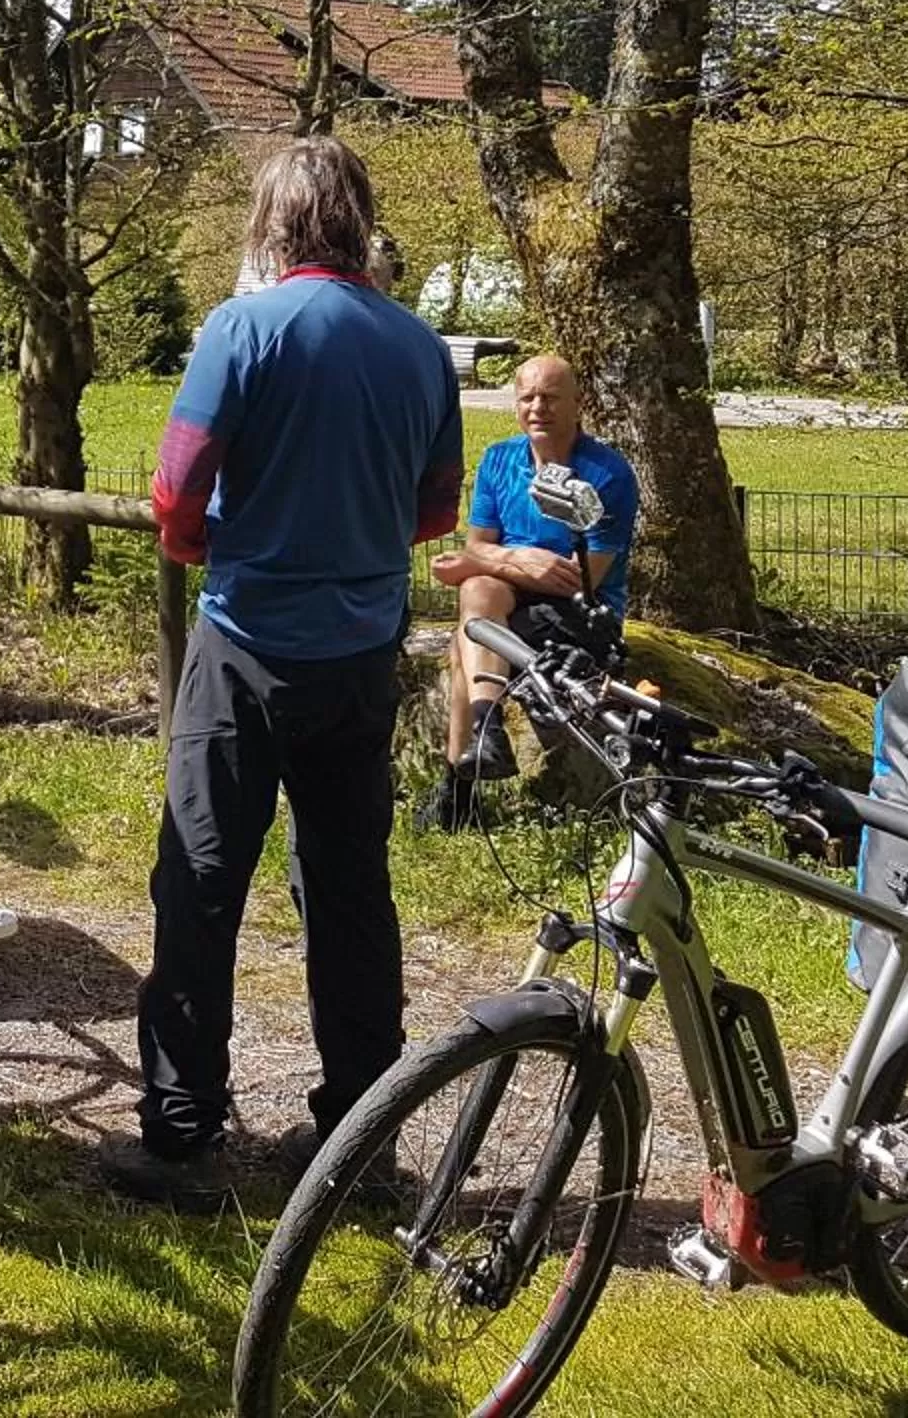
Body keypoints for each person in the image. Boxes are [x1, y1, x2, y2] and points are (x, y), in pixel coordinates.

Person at [106, 136, 465, 1210]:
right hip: (360, 655)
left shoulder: (243, 329)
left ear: (272, 223)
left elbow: (176, 494)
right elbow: (437, 511)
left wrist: (213, 543)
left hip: (246, 646)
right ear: (360, 220)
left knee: (201, 882)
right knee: (351, 894)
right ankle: (361, 1140)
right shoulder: (419, 346)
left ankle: (182, 1134)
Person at [420, 353, 640, 831]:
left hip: (581, 613)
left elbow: (582, 578)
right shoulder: (499, 460)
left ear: (579, 404)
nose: (538, 408)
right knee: (479, 590)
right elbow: (479, 547)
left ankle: (458, 786)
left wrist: (486, 561)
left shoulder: (607, 475)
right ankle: (486, 730)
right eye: (528, 398)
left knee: (465, 639)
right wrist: (523, 561)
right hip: (512, 598)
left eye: (551, 398)